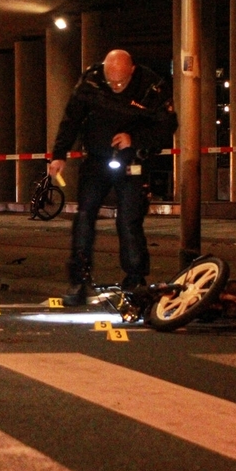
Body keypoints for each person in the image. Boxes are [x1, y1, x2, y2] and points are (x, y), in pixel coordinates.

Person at [47, 49, 178, 306]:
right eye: (111, 81)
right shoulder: (92, 81)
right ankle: (79, 280)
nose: (116, 87)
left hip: (132, 160)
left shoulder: (151, 88)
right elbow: (71, 118)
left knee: (128, 220)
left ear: (132, 70)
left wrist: (134, 140)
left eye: (121, 82)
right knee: (84, 216)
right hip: (96, 158)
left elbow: (166, 126)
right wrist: (59, 154)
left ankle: (135, 278)